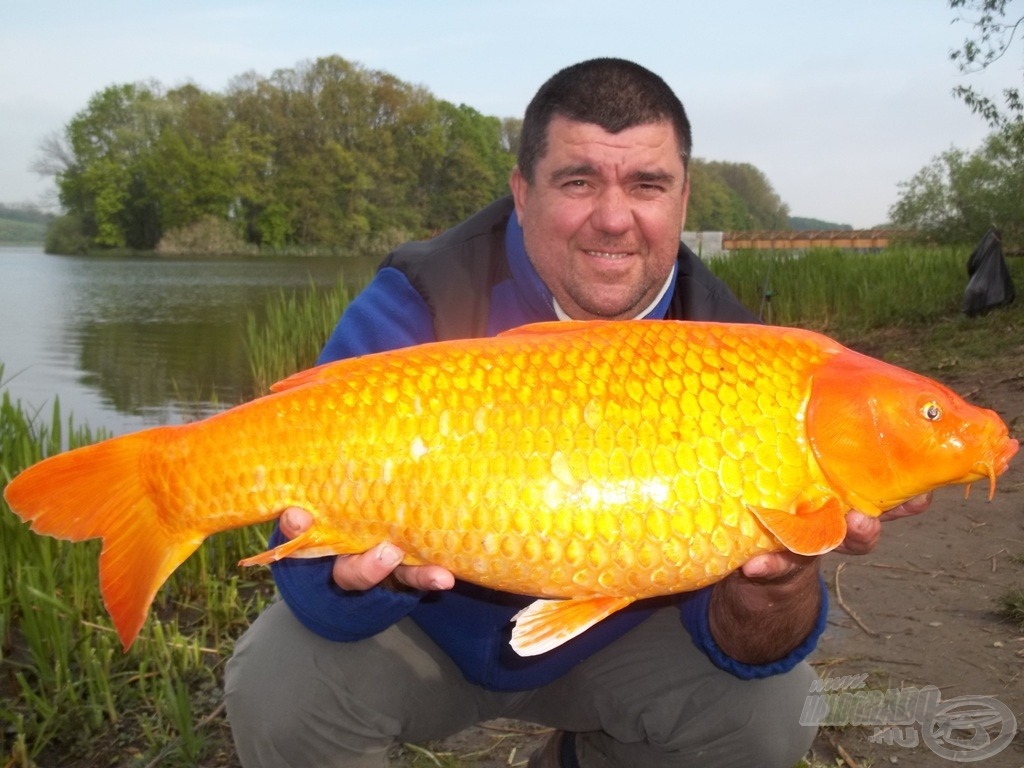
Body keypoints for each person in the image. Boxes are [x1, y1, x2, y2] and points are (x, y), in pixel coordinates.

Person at [224, 57, 928, 768]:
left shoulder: (737, 355)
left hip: (618, 640)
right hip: (425, 629)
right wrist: (352, 581)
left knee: (772, 713)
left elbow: (750, 646)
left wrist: (775, 587)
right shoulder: (423, 297)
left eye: (647, 185)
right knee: (277, 684)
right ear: (522, 192)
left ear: (683, 202)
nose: (615, 218)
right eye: (579, 181)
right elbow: (306, 569)